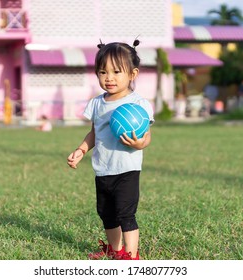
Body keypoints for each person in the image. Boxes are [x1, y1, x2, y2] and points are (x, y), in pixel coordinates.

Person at [67, 40, 154, 260]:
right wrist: (81, 149)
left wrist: (139, 144)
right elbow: (94, 133)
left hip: (126, 169)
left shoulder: (138, 104)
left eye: (116, 71)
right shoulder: (97, 103)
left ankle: (131, 255)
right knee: (106, 214)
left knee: (126, 214)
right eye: (103, 72)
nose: (109, 77)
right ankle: (115, 250)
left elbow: (146, 137)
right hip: (103, 169)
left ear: (133, 74)